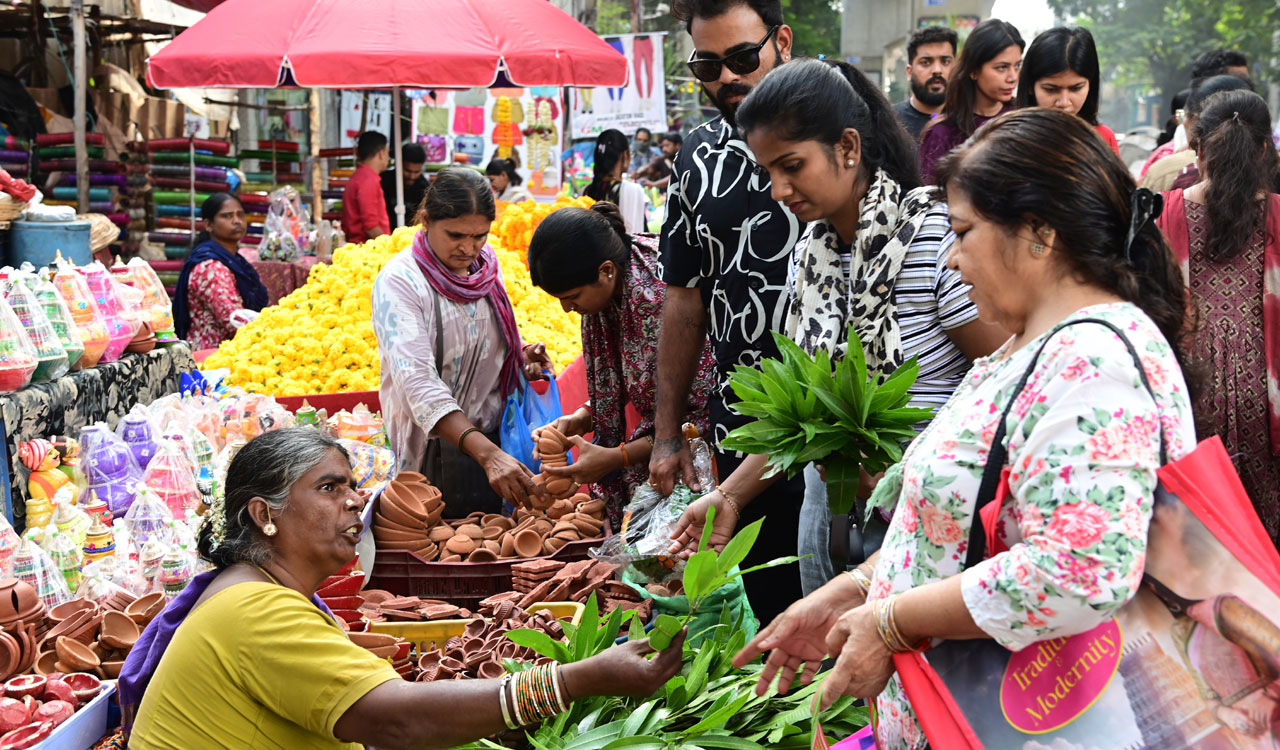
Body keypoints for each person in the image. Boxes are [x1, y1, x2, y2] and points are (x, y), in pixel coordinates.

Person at [735, 108, 1194, 749]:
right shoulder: (1028, 345)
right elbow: (968, 529)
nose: (952, 259)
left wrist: (894, 620)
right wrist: (856, 589)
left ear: (1038, 233)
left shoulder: (1094, 364)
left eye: (964, 231)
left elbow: (1078, 570)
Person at [670, 58, 1006, 595]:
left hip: (933, 530)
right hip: (834, 526)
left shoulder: (936, 243)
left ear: (848, 148)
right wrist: (730, 496)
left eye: (792, 166)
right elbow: (810, 407)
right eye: (769, 173)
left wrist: (901, 471)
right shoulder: (813, 251)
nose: (779, 190)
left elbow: (1003, 388)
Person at [124, 428, 685, 750]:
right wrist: (580, 679)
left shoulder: (256, 591)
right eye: (329, 488)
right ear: (263, 514)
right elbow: (396, 719)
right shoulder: (254, 609)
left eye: (352, 486)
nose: (353, 501)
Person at [652, 0, 805, 625]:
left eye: (743, 58)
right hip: (741, 428)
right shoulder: (695, 157)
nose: (727, 79)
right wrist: (665, 435)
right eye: (707, 65)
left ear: (783, 43)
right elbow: (683, 302)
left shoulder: (843, 136)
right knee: (773, 617)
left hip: (842, 429)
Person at [371, 168, 553, 515]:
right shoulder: (401, 282)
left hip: (490, 442)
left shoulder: (485, 269)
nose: (469, 248)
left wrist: (521, 354)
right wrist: (486, 453)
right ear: (425, 220)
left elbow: (484, 337)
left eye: (480, 236)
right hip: (432, 452)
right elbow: (419, 385)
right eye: (455, 235)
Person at [527, 202, 718, 525]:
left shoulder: (657, 301)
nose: (566, 309)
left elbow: (701, 419)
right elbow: (632, 372)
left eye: (572, 296)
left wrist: (618, 457)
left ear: (606, 271)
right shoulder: (613, 286)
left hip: (714, 461)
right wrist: (583, 416)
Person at [1158, 89, 1280, 546]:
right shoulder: (1279, 215)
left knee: (1202, 545)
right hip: (1269, 405)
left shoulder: (1166, 215)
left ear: (1198, 146)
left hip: (1189, 399)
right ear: (1266, 149)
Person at [918, 18, 1024, 184]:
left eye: (1017, 66)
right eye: (1001, 67)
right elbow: (929, 200)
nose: (1013, 77)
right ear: (973, 71)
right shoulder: (942, 133)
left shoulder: (1023, 120)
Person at [173, 193, 269, 350]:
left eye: (240, 215)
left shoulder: (236, 261)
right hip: (213, 354)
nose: (237, 221)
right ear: (209, 225)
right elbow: (233, 319)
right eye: (227, 216)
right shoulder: (210, 266)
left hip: (234, 349)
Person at [1142, 50, 1252, 177]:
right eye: (1238, 80)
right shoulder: (1167, 165)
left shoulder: (1266, 162)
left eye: (1246, 81)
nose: (1246, 88)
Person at [1017, 27, 1119, 154]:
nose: (1064, 102)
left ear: (1090, 85)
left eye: (1076, 88)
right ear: (1030, 87)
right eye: (1051, 89)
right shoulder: (1010, 141)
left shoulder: (1103, 138)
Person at [892, 26, 958, 141]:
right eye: (926, 62)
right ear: (909, 72)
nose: (937, 70)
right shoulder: (890, 122)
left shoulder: (968, 122)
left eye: (945, 62)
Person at [583, 129, 649, 234]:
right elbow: (637, 235)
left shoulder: (586, 191)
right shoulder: (632, 190)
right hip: (621, 250)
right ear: (624, 155)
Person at [342, 131, 391, 243]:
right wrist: (389, 248)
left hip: (357, 245)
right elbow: (371, 227)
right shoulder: (369, 180)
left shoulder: (357, 177)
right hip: (368, 250)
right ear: (381, 153)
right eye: (387, 153)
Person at [380, 142, 429, 229]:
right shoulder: (383, 181)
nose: (411, 176)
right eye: (407, 171)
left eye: (416, 172)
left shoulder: (425, 188)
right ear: (398, 164)